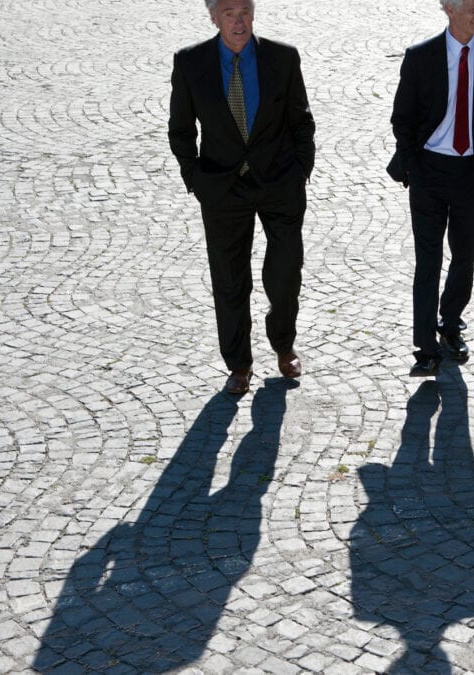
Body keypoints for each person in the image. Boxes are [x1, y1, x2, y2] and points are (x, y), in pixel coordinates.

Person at [168, 0, 315, 395]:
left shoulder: (283, 58)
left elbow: (301, 120)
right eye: (230, 12)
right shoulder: (190, 63)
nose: (239, 21)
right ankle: (239, 363)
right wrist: (196, 178)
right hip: (221, 187)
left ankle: (283, 344)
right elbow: (180, 131)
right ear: (213, 16)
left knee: (284, 273)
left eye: (246, 10)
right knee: (230, 279)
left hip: (279, 182)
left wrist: (301, 170)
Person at [387, 0, 474, 378]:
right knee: (428, 261)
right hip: (429, 171)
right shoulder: (420, 56)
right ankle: (425, 348)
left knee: (464, 256)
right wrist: (413, 165)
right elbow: (402, 118)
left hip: (471, 173)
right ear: (449, 8)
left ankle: (451, 322)